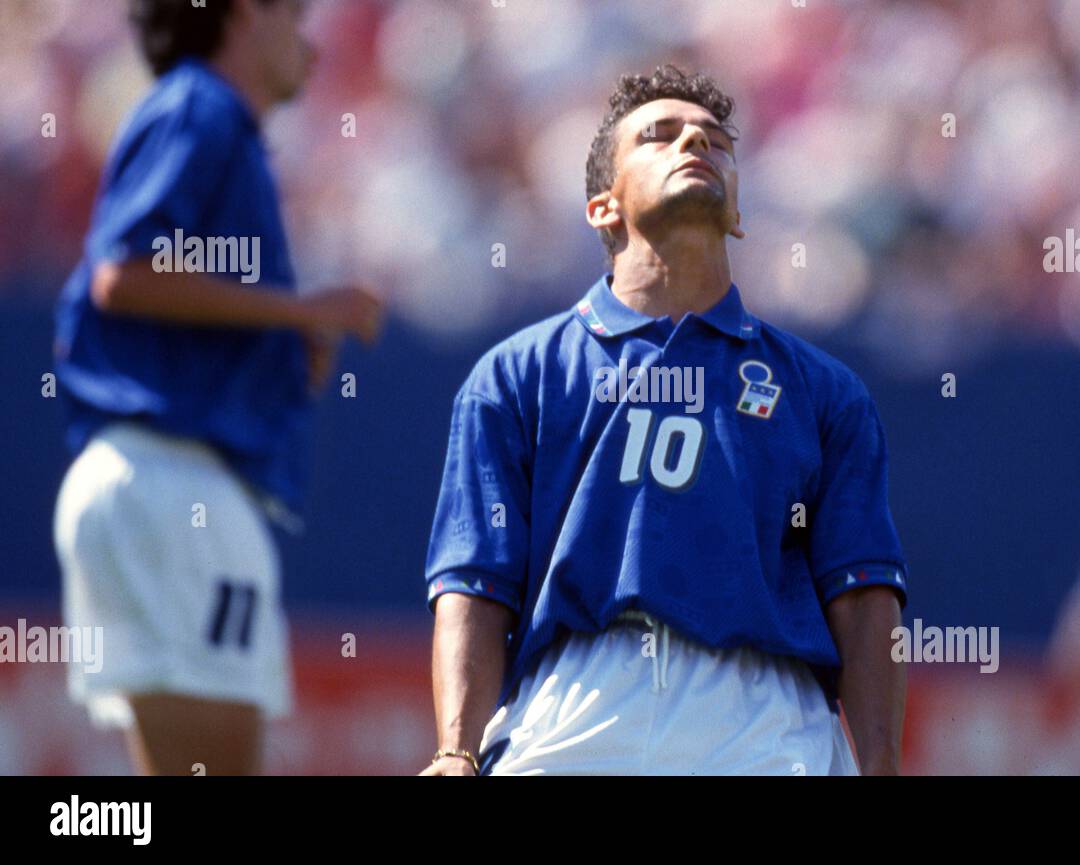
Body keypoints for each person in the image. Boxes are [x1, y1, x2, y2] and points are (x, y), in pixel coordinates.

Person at [421, 66, 906, 776]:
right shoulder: (514, 376)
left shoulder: (827, 392)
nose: (695, 145)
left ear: (739, 212)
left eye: (716, 141)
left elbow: (863, 598)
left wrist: (883, 765)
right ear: (602, 207)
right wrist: (456, 749)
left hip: (765, 721)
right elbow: (474, 583)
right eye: (660, 135)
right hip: (575, 707)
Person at [52, 0, 382, 775]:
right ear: (242, 15)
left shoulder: (208, 122)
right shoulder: (199, 107)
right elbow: (123, 272)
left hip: (151, 485)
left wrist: (276, 340)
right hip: (170, 487)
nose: (308, 42)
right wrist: (297, 309)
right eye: (292, 17)